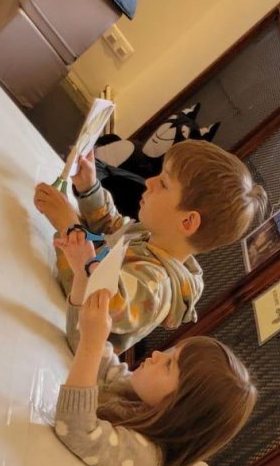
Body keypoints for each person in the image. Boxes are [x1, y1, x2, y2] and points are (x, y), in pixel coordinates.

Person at [34, 142, 267, 354]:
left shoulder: (157, 287)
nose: (149, 182)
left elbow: (97, 302)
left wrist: (70, 228)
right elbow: (113, 228)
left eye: (163, 183)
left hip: (57, 348)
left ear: (187, 222)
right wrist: (89, 188)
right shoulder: (150, 235)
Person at [54, 290, 256, 466]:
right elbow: (83, 343)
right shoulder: (136, 395)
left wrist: (92, 343)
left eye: (169, 365)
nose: (157, 354)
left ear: (180, 409)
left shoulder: (147, 459)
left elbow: (75, 429)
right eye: (170, 353)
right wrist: (83, 282)